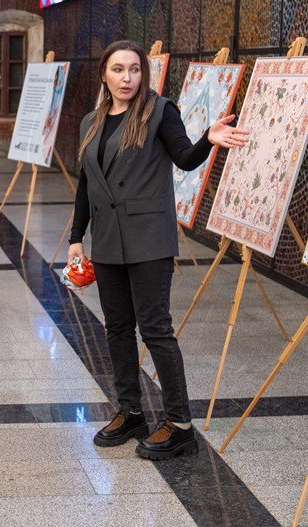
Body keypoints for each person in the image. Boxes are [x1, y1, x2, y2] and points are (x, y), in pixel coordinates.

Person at [67, 40, 249, 461]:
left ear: (143, 74)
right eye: (118, 69)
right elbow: (86, 182)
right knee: (117, 328)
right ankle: (131, 412)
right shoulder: (91, 121)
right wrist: (77, 235)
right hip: (107, 240)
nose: (126, 78)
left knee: (155, 329)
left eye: (134, 69)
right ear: (104, 74)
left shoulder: (159, 111)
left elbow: (184, 158)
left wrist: (208, 139)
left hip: (149, 238)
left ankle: (180, 424)